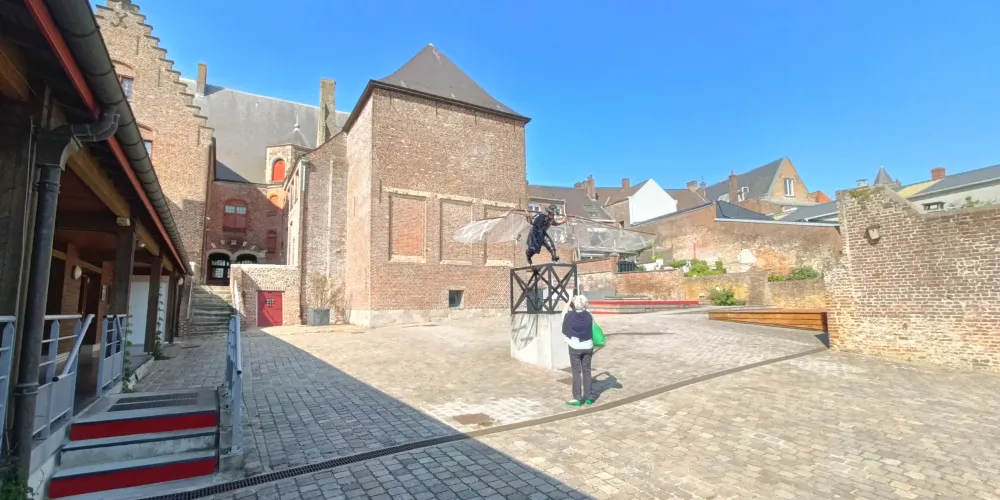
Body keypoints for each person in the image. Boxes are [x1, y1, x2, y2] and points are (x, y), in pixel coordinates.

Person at [562, 294, 594, 406]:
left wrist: (569, 301)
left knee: (576, 372)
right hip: (588, 346)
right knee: (587, 371)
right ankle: (589, 396)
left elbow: (564, 312)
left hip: (575, 346)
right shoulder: (589, 315)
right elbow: (588, 310)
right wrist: (583, 303)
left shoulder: (569, 316)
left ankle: (577, 398)